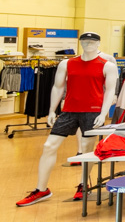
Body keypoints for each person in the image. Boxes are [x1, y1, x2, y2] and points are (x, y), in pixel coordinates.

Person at [17, 33, 118, 206]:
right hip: (69, 110)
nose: (88, 45)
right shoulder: (67, 63)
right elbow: (58, 87)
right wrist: (51, 110)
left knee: (86, 149)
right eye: (84, 42)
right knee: (48, 146)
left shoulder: (107, 65)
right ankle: (42, 189)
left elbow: (110, 91)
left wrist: (103, 113)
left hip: (92, 112)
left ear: (99, 43)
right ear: (80, 43)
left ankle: (82, 184)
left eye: (92, 42)